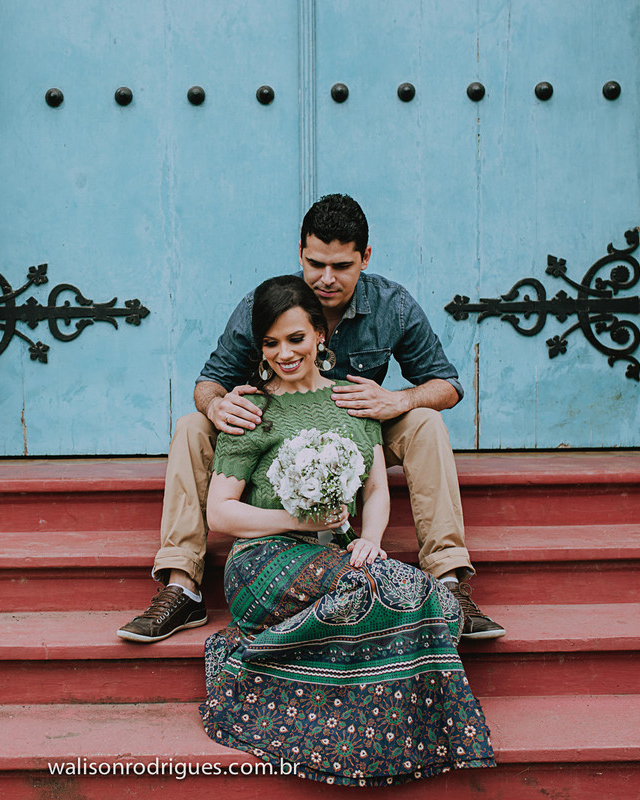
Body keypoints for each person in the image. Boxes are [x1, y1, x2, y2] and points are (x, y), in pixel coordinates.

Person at [117, 193, 504, 643]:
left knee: (426, 423)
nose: (325, 278)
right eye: (315, 263)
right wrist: (215, 405)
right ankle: (182, 585)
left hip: (359, 419)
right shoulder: (265, 303)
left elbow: (448, 384)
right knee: (189, 426)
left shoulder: (392, 305)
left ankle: (450, 580)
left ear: (365, 259)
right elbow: (209, 381)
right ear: (300, 253)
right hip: (274, 427)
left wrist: (396, 401)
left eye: (341, 266)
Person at [198, 275, 495, 785]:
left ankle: (370, 718)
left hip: (336, 555)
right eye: (270, 343)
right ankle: (257, 673)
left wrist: (371, 538)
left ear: (320, 335)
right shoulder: (253, 409)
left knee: (438, 604)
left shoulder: (352, 400)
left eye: (295, 339)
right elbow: (221, 514)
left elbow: (377, 489)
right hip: (264, 560)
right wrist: (295, 520)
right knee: (376, 592)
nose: (283, 354)